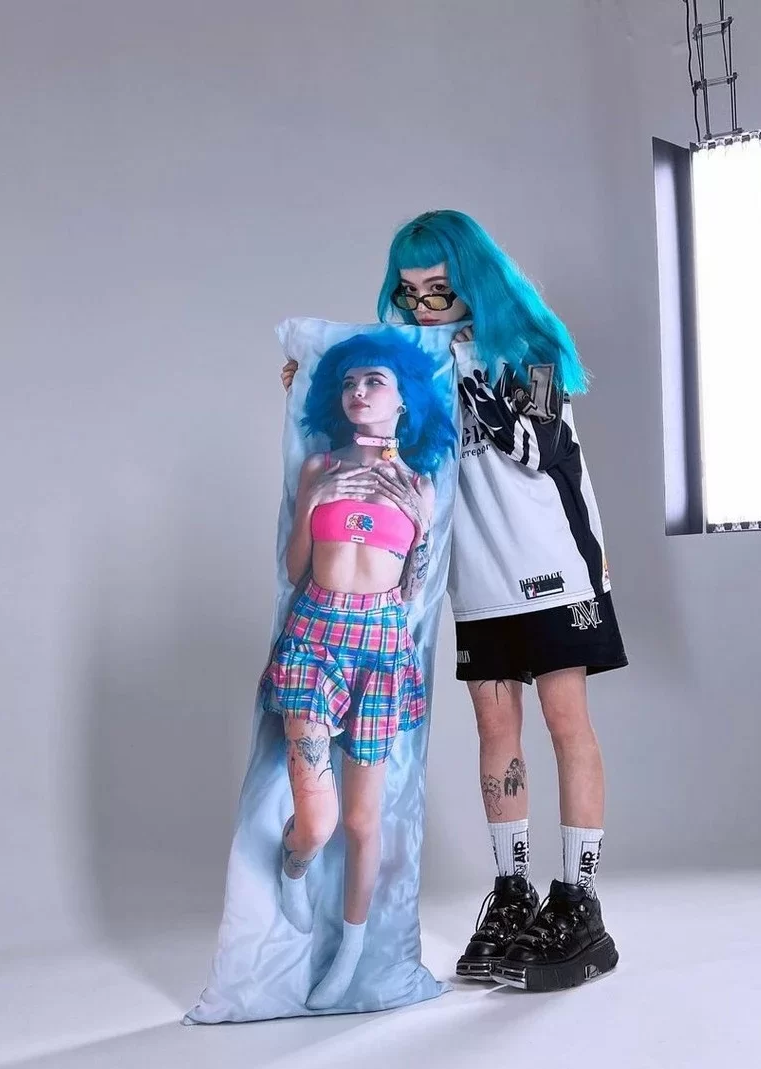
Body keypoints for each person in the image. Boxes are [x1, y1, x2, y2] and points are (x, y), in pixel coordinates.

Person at [282, 210, 626, 993]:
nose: (424, 307)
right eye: (410, 295)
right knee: (495, 728)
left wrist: (461, 373)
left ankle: (579, 897)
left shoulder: (529, 350)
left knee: (565, 721)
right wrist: (310, 378)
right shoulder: (419, 362)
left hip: (554, 568)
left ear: (473, 280)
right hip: (476, 579)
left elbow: (536, 445)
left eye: (438, 290)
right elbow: (370, 420)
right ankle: (512, 890)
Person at [265, 329, 455, 1009]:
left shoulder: (420, 484)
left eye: (374, 381)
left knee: (363, 821)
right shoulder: (319, 467)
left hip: (380, 645)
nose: (358, 392)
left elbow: (414, 592)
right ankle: (293, 863)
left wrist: (416, 521)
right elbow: (293, 569)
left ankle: (349, 950)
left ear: (405, 399)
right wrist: (316, 500)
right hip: (315, 635)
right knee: (318, 821)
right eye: (348, 382)